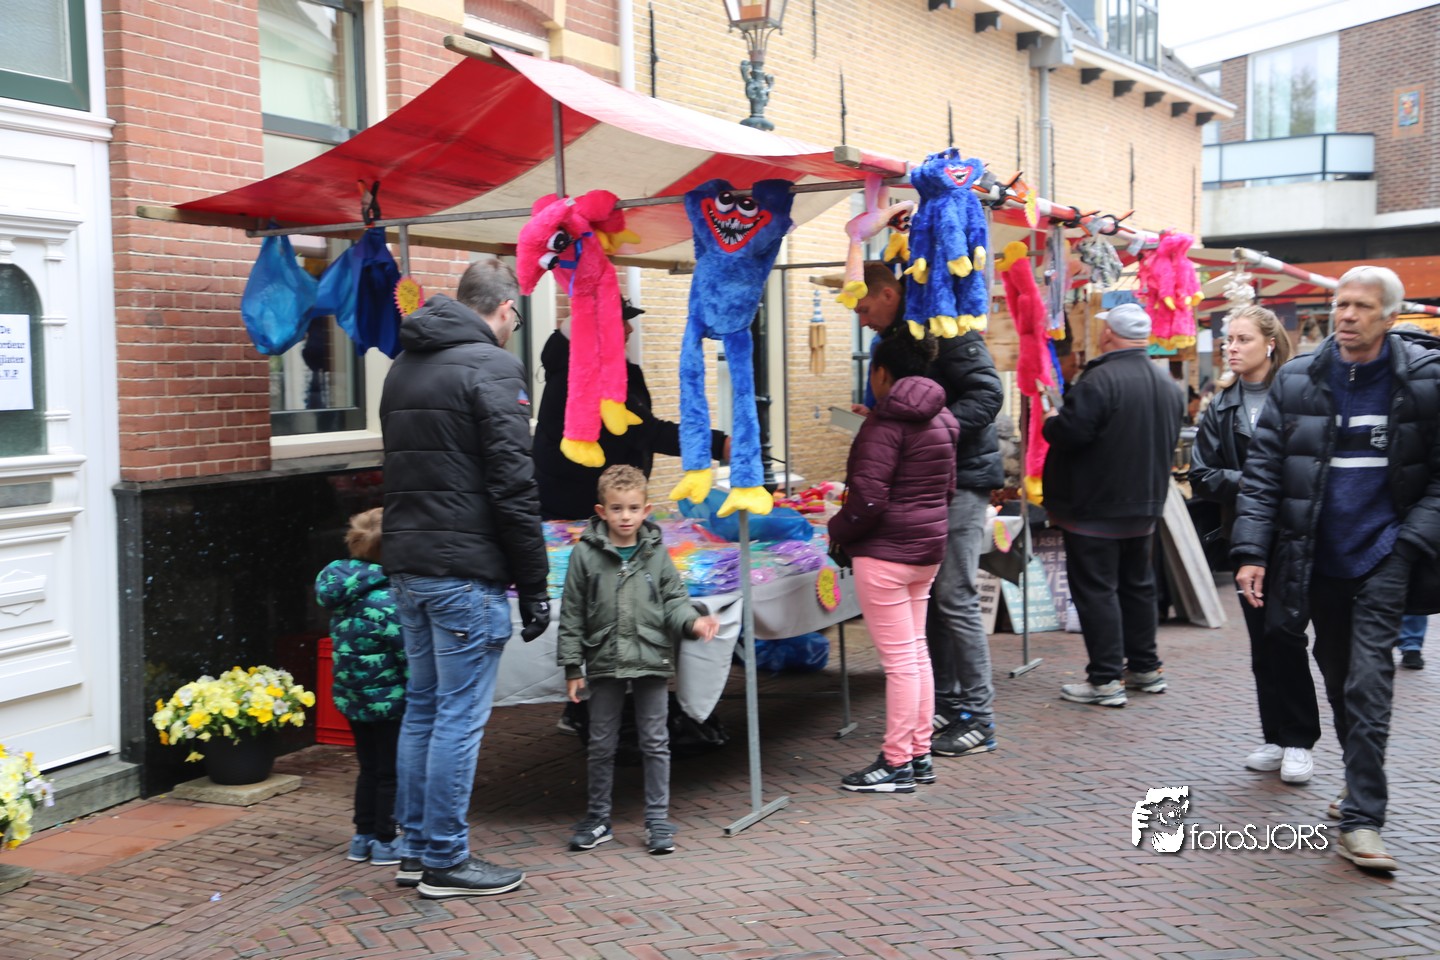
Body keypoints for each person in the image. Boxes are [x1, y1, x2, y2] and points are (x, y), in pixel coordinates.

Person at [1232, 266, 1440, 873]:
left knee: (1368, 681)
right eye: (1341, 303)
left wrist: (1407, 546)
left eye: (1362, 306)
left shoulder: (1425, 382)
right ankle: (1356, 781)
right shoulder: (1298, 380)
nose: (1347, 315)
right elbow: (1265, 474)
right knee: (1338, 671)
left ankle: (1363, 821)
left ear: (1390, 316)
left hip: (1386, 557)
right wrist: (1251, 552)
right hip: (1315, 558)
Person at [379, 256, 551, 899]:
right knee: (457, 715)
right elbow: (513, 484)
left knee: (423, 708)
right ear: (506, 309)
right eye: (515, 319)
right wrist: (533, 585)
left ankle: (415, 850)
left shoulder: (403, 365)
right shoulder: (492, 366)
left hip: (408, 563)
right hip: (463, 571)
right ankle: (446, 860)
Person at [850, 262, 1005, 759]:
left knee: (956, 594)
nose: (861, 318)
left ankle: (979, 718)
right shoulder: (899, 337)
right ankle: (949, 701)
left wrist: (932, 432)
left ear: (889, 294)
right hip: (933, 480)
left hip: (963, 478)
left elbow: (989, 393)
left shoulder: (947, 326)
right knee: (934, 594)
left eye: (864, 306)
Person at [558, 465, 719, 855]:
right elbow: (572, 612)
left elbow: (674, 601)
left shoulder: (657, 554)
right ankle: (598, 818)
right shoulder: (584, 555)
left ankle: (657, 820)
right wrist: (573, 666)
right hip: (605, 658)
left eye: (633, 508)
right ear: (602, 511)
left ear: (646, 510)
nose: (625, 517)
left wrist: (693, 622)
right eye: (617, 509)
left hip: (650, 657)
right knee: (600, 743)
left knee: (655, 741)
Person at [1190, 305, 1317, 784]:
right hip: (1245, 534)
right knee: (1263, 639)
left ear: (1270, 343)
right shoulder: (1222, 404)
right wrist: (1255, 482)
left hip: (1297, 534)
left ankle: (1300, 739)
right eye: (1229, 339)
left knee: (1286, 633)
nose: (1232, 348)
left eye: (1242, 339)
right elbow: (1201, 474)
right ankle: (1276, 736)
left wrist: (1268, 485)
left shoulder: (1301, 393)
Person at [828, 334, 959, 792]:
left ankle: (896, 762)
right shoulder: (945, 418)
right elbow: (947, 489)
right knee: (916, 653)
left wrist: (838, 530)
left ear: (881, 372)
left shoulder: (884, 424)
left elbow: (868, 499)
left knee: (901, 661)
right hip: (926, 551)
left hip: (884, 554)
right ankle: (919, 754)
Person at [1042, 302, 1184, 708]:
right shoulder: (1167, 384)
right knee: (1138, 586)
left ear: (1108, 334)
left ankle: (1105, 679)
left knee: (1097, 591)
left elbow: (1070, 433)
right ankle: (1145, 668)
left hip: (1095, 508)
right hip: (1145, 507)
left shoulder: (1099, 380)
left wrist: (1052, 418)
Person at [533, 299, 728, 522]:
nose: (630, 329)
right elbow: (649, 432)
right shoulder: (586, 378)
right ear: (599, 329)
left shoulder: (592, 366)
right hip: (578, 511)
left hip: (593, 505)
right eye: (621, 321)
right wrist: (720, 444)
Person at [315, 507, 407, 867]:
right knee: (390, 772)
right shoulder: (389, 599)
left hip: (352, 696)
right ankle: (386, 840)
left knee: (368, 768)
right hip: (390, 700)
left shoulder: (344, 590)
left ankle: (362, 836)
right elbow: (406, 654)